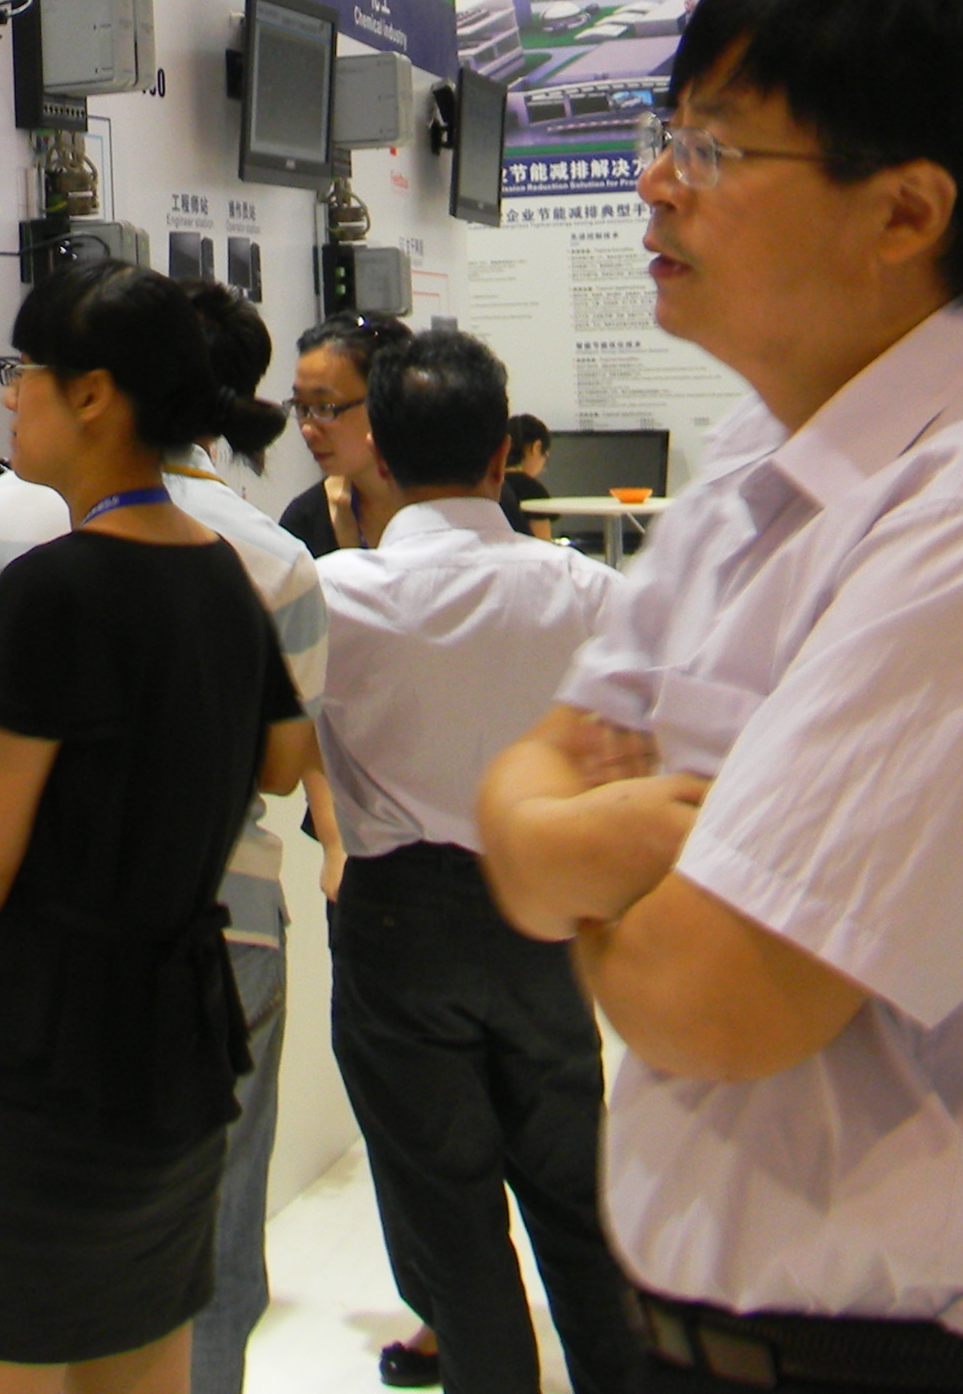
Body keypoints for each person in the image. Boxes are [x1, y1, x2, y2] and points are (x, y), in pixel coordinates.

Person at [478, 0, 963, 1394]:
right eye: (666, 132)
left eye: (713, 147)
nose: (654, 182)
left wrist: (572, 859)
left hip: (918, 1364)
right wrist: (616, 842)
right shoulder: (768, 450)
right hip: (721, 1339)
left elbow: (714, 1001)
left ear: (903, 213)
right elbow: (530, 782)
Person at [0, 264, 316, 1394]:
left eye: (24, 373)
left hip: (51, 1052)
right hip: (180, 1042)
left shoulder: (53, 589)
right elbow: (285, 759)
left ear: (93, 395)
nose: (8, 398)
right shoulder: (226, 576)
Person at [317, 329, 640, 1394]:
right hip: (545, 901)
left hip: (397, 919)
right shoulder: (588, 590)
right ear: (505, 454)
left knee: (448, 1220)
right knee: (578, 1200)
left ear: (378, 452)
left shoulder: (336, 593)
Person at [278, 314, 408, 556]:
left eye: (325, 408)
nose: (307, 430)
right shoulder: (305, 520)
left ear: (385, 401)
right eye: (301, 407)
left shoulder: (455, 505)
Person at [498, 414, 553, 539]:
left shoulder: (488, 484)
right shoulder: (532, 490)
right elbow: (542, 543)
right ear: (536, 447)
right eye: (544, 455)